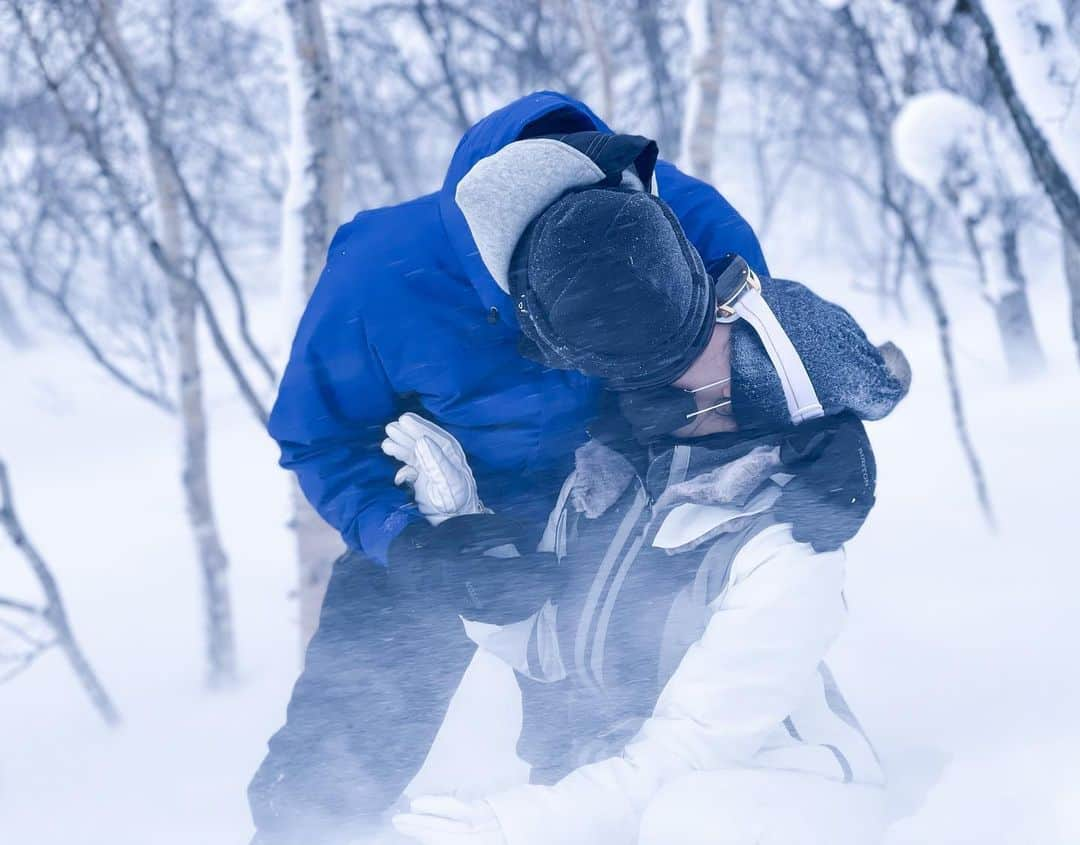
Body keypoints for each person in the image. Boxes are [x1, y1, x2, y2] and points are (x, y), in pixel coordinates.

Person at [250, 93, 770, 844]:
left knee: (613, 749)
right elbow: (322, 438)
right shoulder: (379, 278)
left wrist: (810, 440)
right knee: (332, 768)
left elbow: (764, 369)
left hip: (621, 501)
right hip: (437, 511)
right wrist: (415, 543)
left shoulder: (702, 231)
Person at [385, 244, 910, 845]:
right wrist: (457, 521)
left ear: (751, 390)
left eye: (706, 339)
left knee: (684, 817)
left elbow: (691, 752)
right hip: (637, 786)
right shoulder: (610, 488)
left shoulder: (785, 550)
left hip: (789, 796)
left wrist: (529, 821)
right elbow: (549, 652)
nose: (667, 346)